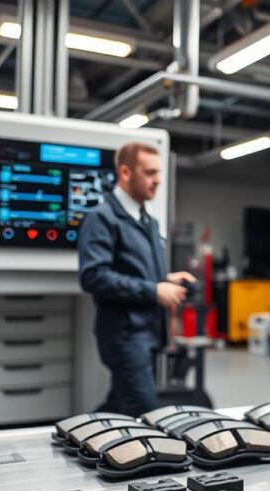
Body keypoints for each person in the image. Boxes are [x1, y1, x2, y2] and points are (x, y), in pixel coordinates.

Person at [78, 142, 195, 417]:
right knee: (145, 413)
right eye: (150, 172)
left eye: (159, 173)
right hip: (125, 336)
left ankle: (84, 438)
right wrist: (154, 290)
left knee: (119, 406)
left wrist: (166, 279)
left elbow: (133, 270)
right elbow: (93, 276)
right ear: (126, 172)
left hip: (149, 333)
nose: (158, 180)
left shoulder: (147, 221)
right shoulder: (102, 219)